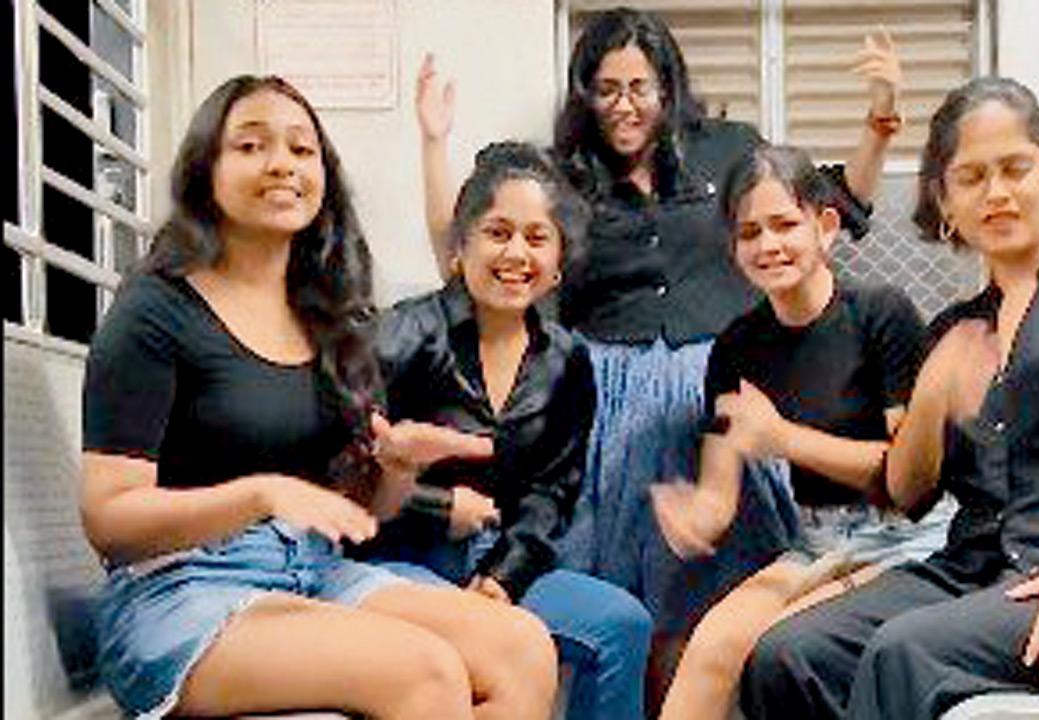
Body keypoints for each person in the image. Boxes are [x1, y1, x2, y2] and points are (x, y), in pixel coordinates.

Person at [414, 7, 907, 691]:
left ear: (668, 87)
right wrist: (433, 143)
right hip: (607, 405)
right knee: (622, 598)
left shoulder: (729, 149)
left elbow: (837, 205)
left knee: (720, 595)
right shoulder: (562, 177)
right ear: (584, 93)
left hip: (717, 394)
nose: (625, 106)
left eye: (639, 87)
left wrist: (879, 123)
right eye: (607, 89)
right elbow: (460, 253)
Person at [738, 76, 1039, 720]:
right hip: (972, 575)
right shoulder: (955, 328)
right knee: (787, 652)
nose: (996, 192)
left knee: (904, 653)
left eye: (1014, 168)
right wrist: (934, 394)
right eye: (970, 177)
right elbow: (909, 494)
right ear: (945, 198)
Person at [81, 75, 560, 719]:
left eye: (302, 150)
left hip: (311, 569)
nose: (282, 163)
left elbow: (367, 510)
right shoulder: (156, 312)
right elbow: (109, 520)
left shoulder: (327, 319)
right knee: (425, 674)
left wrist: (395, 469)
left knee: (522, 648)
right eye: (251, 145)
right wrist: (257, 496)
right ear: (207, 169)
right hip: (178, 589)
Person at [647, 144, 956, 720]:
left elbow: (908, 477)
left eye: (785, 224)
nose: (768, 245)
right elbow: (719, 496)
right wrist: (693, 515)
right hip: (816, 539)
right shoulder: (736, 346)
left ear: (826, 226)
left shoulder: (880, 314)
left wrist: (784, 438)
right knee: (711, 646)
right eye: (749, 232)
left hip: (907, 539)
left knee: (781, 647)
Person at [355, 141, 653, 720]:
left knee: (622, 624)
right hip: (396, 562)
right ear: (459, 248)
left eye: (537, 238)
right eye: (498, 232)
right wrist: (438, 506)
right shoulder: (399, 336)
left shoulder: (567, 359)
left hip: (499, 562)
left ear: (559, 261)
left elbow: (553, 490)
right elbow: (340, 466)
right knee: (482, 652)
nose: (517, 252)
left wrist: (504, 576)